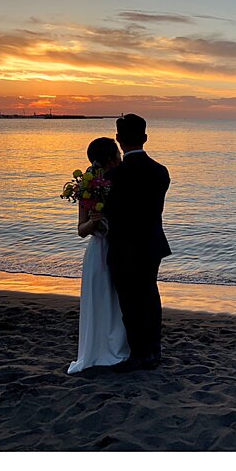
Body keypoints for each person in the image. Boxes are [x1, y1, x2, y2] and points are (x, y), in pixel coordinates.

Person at [104, 113, 172, 371]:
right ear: (145, 137)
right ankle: (154, 349)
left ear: (119, 139)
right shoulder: (160, 172)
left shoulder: (113, 177)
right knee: (150, 295)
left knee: (130, 301)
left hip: (124, 244)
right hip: (151, 242)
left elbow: (110, 213)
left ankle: (139, 353)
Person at [67, 137, 130, 374]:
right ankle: (98, 350)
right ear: (111, 158)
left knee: (116, 301)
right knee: (100, 300)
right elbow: (80, 230)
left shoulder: (116, 182)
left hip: (118, 247)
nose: (121, 156)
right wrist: (93, 223)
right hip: (98, 251)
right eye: (117, 153)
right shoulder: (88, 187)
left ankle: (119, 346)